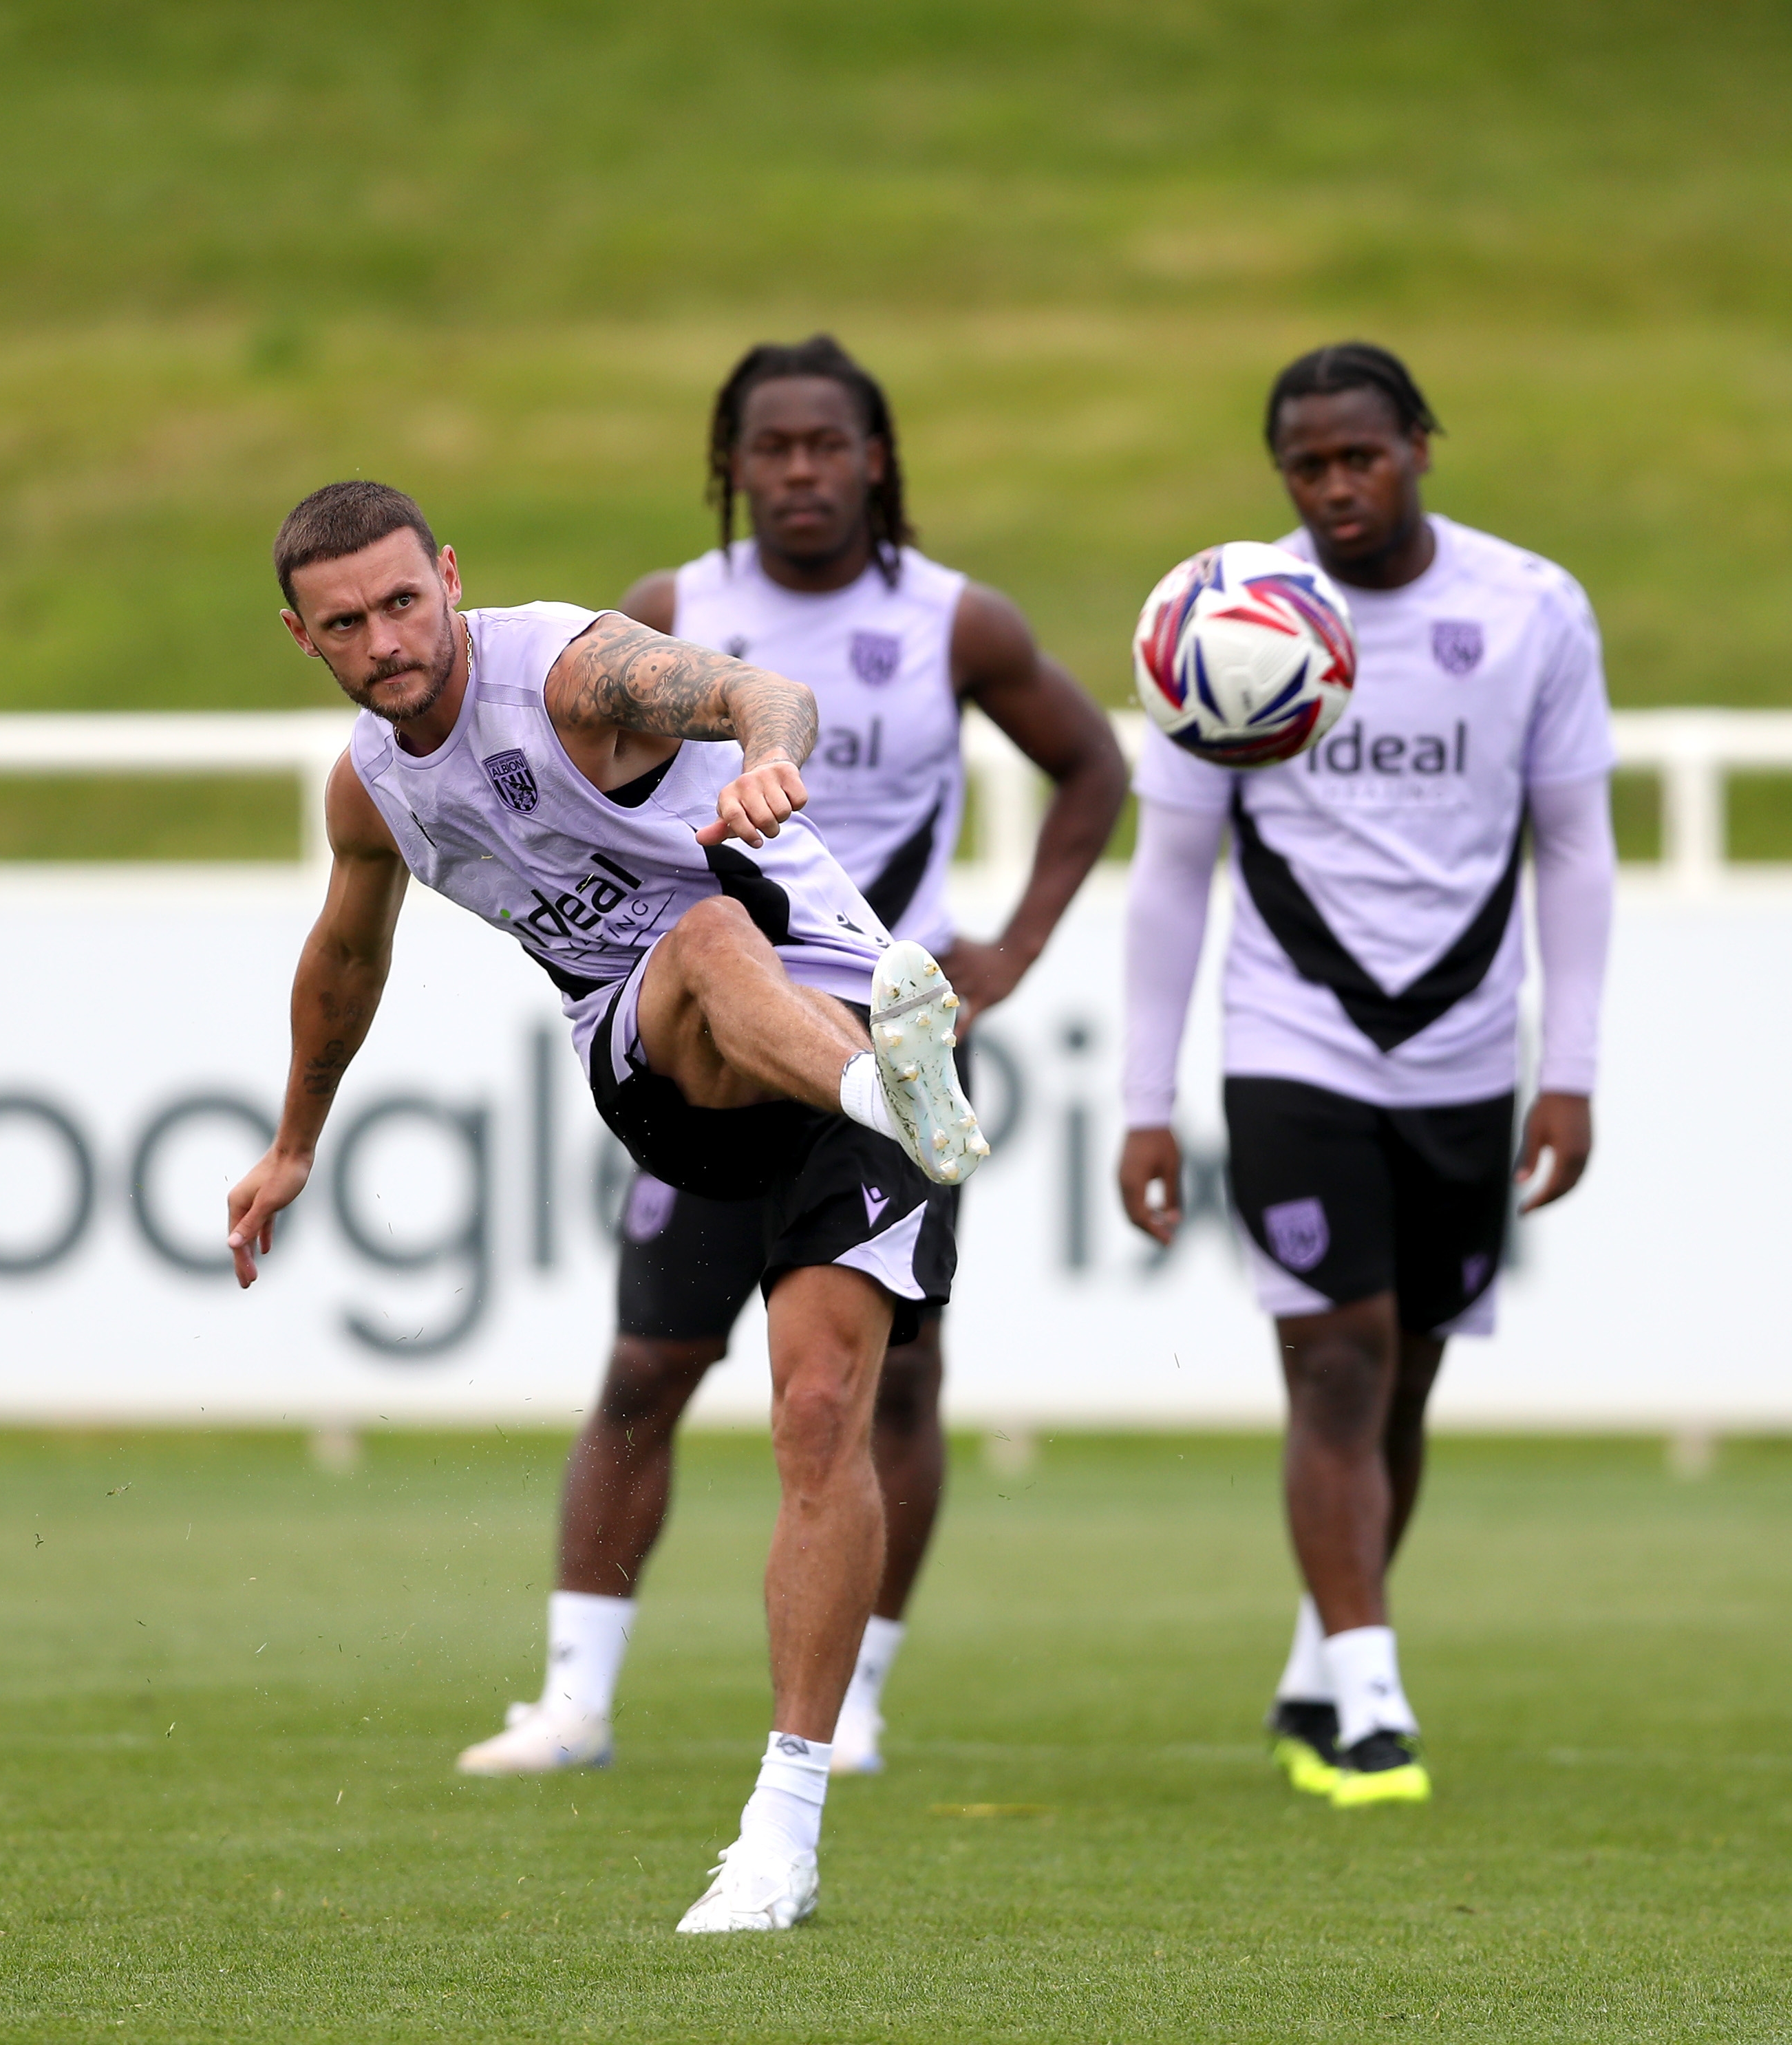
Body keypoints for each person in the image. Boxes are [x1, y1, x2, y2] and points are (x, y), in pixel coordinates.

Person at [227, 479, 990, 1934]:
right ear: (301, 635)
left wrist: (766, 761)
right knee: (699, 938)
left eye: (404, 599)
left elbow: (763, 691)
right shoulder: (371, 788)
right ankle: (894, 1098)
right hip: (671, 1072)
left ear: (449, 574)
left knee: (821, 1417)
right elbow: (344, 957)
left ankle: (782, 1835)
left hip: (828, 1004)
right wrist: (293, 1142)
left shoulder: (577, 674)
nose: (387, 639)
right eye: (347, 623)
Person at [456, 336, 1126, 1784]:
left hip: (888, 1034)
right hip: (719, 1050)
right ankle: (575, 1697)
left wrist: (1007, 952)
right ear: (731, 465)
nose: (803, 470)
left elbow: (1096, 767)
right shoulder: (666, 617)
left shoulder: (959, 624)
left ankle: (858, 1690)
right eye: (773, 448)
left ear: (876, 457)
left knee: (891, 1389)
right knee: (650, 1362)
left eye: (830, 444)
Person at [1118, 344, 1616, 1808]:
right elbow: (1173, 869)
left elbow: (1575, 846)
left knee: (1404, 1381)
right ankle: (1378, 1702)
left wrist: (1568, 1068)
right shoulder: (1223, 619)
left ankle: (1317, 1666)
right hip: (1292, 1041)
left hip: (1466, 1049)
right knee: (1335, 1359)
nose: (1337, 487)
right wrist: (1146, 1099)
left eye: (1363, 456)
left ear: (1421, 445)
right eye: (1307, 465)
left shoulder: (1531, 608)